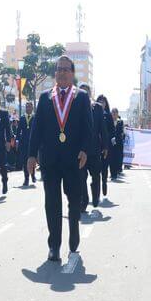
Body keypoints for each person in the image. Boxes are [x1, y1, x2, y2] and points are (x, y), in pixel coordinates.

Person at [27, 56, 93, 262]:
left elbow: (88, 128)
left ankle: (74, 236)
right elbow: (36, 129)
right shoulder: (46, 97)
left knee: (74, 202)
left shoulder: (81, 97)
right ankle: (54, 245)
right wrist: (31, 155)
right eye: (59, 69)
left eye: (66, 69)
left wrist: (84, 150)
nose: (62, 72)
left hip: (74, 161)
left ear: (72, 73)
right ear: (55, 73)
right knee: (52, 203)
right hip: (50, 161)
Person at [78, 83, 107, 212]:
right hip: (80, 151)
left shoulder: (98, 108)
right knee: (81, 177)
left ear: (90, 94)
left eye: (86, 92)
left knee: (96, 176)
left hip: (94, 150)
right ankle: (84, 200)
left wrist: (105, 146)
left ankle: (95, 196)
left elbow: (103, 129)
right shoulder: (74, 108)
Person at [95, 95, 115, 196]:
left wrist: (107, 137)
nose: (102, 104)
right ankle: (97, 186)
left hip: (106, 145)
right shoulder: (92, 112)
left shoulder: (108, 115)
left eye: (103, 102)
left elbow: (112, 130)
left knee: (104, 166)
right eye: (100, 101)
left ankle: (104, 182)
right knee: (96, 168)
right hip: (95, 145)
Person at [17, 101, 36, 186]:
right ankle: (26, 179)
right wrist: (17, 140)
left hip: (32, 142)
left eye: (29, 107)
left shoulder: (35, 117)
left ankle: (33, 175)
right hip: (23, 142)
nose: (28, 108)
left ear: (32, 108)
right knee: (25, 161)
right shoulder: (22, 118)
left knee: (32, 159)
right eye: (27, 107)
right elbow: (18, 131)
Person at [109, 107, 124, 178]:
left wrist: (117, 138)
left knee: (118, 158)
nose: (114, 114)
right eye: (113, 112)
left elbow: (121, 132)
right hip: (110, 143)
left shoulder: (120, 121)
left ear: (117, 114)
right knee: (111, 158)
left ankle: (117, 170)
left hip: (118, 143)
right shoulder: (108, 121)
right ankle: (113, 173)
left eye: (115, 112)